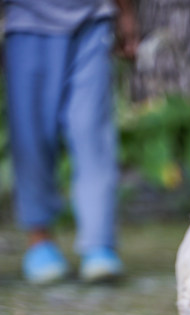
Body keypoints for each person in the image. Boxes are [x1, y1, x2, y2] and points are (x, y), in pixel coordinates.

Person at [3, 0, 139, 284]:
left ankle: (99, 244)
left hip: (93, 18)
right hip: (27, 22)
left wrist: (125, 13)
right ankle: (39, 240)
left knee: (92, 133)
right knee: (31, 136)